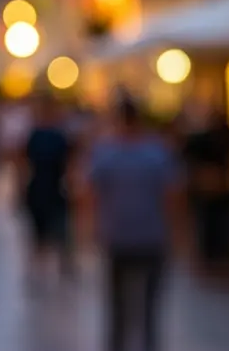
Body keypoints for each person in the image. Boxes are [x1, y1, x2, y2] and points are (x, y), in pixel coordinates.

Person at [88, 93, 183, 351]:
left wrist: (91, 229)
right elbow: (172, 197)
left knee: (119, 307)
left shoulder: (105, 152)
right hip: (150, 236)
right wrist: (177, 233)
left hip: (119, 236)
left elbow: (91, 196)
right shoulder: (158, 152)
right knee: (147, 310)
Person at [21, 90, 74, 289]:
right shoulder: (39, 135)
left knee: (59, 232)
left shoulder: (57, 135)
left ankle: (60, 269)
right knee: (42, 233)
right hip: (43, 187)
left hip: (52, 187)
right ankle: (42, 271)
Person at [179, 101, 229, 280]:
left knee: (218, 227)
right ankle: (206, 262)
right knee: (205, 226)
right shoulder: (200, 140)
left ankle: (217, 262)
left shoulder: (225, 138)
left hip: (219, 191)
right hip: (204, 191)